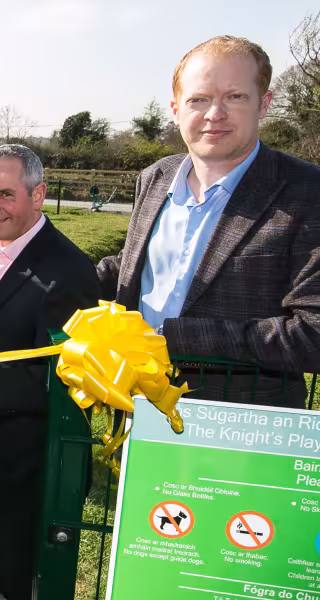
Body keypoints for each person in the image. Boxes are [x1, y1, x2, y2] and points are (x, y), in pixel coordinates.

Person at [96, 36, 320, 409]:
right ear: (176, 109)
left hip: (238, 426)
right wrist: (48, 274)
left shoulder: (308, 191)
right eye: (198, 99)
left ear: (264, 104)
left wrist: (174, 338)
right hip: (136, 408)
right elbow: (137, 266)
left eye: (235, 97)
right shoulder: (156, 177)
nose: (215, 114)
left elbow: (313, 333)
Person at [0, 144, 100, 600]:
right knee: (6, 568)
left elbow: (73, 376)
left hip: (29, 466)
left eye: (6, 194)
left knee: (23, 576)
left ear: (38, 195)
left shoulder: (66, 270)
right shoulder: (8, 247)